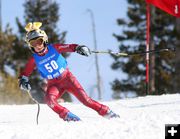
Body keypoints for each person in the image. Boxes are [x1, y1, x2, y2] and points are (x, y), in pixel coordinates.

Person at [18, 22, 119, 121]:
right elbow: (25, 73)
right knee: (50, 101)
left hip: (67, 78)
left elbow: (69, 47)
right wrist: (23, 80)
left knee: (86, 100)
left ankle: (107, 112)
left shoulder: (54, 48)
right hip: (53, 84)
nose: (37, 46)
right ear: (30, 46)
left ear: (44, 40)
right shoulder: (34, 59)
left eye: (39, 41)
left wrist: (78, 48)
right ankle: (68, 116)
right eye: (33, 43)